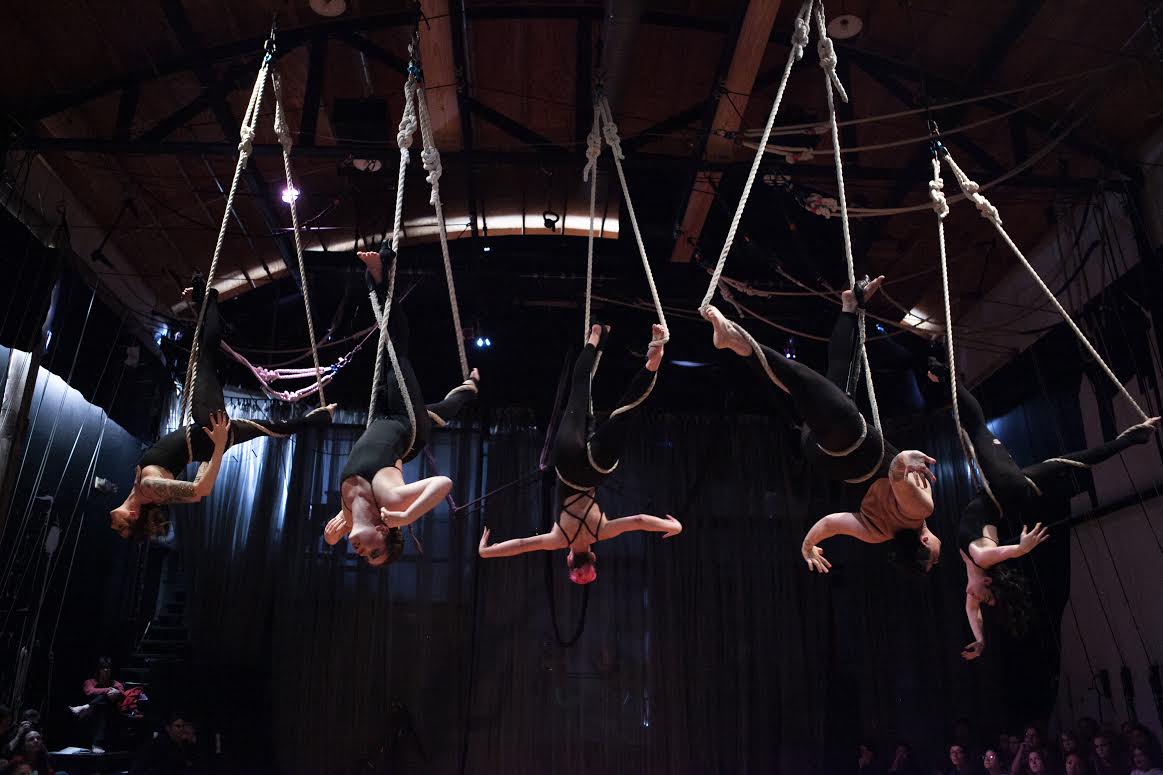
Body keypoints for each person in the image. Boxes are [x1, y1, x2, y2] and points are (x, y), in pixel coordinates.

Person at [702, 278, 941, 574]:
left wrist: (906, 459)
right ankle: (849, 307)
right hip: (824, 451)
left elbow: (896, 473)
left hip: (851, 441)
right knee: (835, 379)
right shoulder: (876, 534)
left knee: (801, 380)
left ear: (926, 543)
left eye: (934, 559)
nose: (938, 556)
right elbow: (829, 524)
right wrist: (807, 545)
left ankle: (739, 342)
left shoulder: (921, 511)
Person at [931, 365, 1160, 660]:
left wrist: (981, 640)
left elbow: (970, 610)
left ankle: (1133, 438)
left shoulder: (973, 580)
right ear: (988, 582)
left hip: (1010, 491)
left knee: (1072, 462)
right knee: (976, 428)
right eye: (985, 597)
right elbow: (1002, 555)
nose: (975, 599)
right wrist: (1021, 548)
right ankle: (949, 376)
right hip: (1004, 486)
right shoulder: (981, 557)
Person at [109, 274, 336, 539]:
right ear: (133, 516)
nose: (113, 524)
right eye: (120, 526)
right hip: (209, 427)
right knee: (206, 357)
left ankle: (321, 418)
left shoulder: (146, 491)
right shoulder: (150, 487)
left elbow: (193, 495)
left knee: (274, 429)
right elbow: (199, 492)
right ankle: (210, 297)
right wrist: (218, 445)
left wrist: (213, 451)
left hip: (209, 434)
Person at [478, 322, 681, 583]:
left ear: (593, 556)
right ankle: (595, 336)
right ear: (569, 559)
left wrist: (672, 526)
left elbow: (640, 520)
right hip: (567, 462)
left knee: (626, 411)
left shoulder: (602, 532)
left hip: (597, 469)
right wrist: (487, 552)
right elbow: (520, 545)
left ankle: (653, 361)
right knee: (578, 390)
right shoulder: (557, 539)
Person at [325, 248, 479, 566]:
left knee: (438, 410)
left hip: (382, 417)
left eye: (365, 557)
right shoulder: (392, 504)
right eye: (375, 551)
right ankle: (381, 275)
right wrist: (407, 515)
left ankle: (469, 389)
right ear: (384, 530)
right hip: (405, 424)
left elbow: (333, 531)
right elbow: (444, 483)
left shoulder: (350, 517)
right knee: (396, 347)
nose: (362, 552)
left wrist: (330, 534)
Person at [68, 657, 128, 753]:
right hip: (91, 714)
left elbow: (123, 696)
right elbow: (90, 692)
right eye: (103, 668)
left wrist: (118, 693)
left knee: (105, 705)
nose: (106, 670)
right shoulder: (89, 682)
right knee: (104, 701)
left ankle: (84, 707)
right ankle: (96, 743)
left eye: (108, 668)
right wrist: (109, 690)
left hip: (111, 714)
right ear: (98, 670)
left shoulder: (116, 683)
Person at [130, 711, 199, 775]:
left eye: (183, 726)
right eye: (178, 726)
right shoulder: (159, 745)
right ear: (168, 728)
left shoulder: (183, 743)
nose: (182, 729)